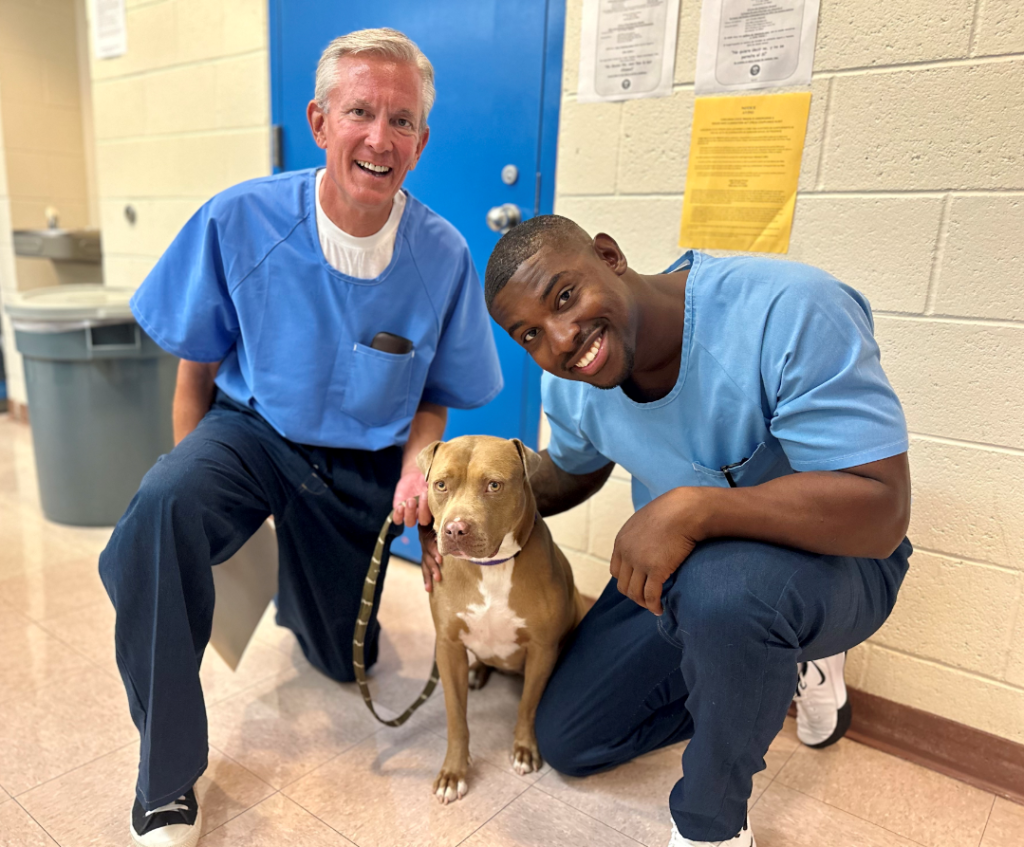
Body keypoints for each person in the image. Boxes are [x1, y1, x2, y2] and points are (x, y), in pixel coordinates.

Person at [98, 28, 502, 847]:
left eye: (400, 120)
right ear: (320, 122)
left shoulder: (444, 255)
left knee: (339, 659)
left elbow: (437, 399)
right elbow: (195, 376)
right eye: (359, 112)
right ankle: (167, 779)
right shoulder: (239, 219)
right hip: (252, 433)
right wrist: (192, 504)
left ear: (421, 143)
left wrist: (420, 468)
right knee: (160, 515)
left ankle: (303, 596)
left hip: (358, 467)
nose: (378, 138)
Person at [470, 215, 911, 846]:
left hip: (839, 558)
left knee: (726, 595)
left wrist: (691, 509)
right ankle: (771, 665)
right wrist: (465, 510)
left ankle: (712, 824)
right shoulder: (573, 386)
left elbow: (882, 512)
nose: (561, 340)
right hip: (687, 577)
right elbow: (567, 475)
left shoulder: (788, 309)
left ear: (609, 255)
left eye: (564, 297)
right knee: (570, 736)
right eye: (531, 335)